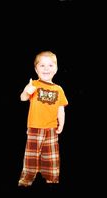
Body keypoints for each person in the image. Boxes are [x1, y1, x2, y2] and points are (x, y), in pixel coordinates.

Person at [18, 50, 68, 187]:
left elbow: (61, 109)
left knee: (51, 156)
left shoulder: (59, 89)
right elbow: (23, 99)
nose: (46, 69)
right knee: (31, 156)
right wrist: (26, 91)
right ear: (36, 69)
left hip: (51, 128)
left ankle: (52, 178)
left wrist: (61, 124)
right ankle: (26, 180)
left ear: (56, 68)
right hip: (34, 127)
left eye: (50, 65)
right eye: (42, 66)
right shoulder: (33, 84)